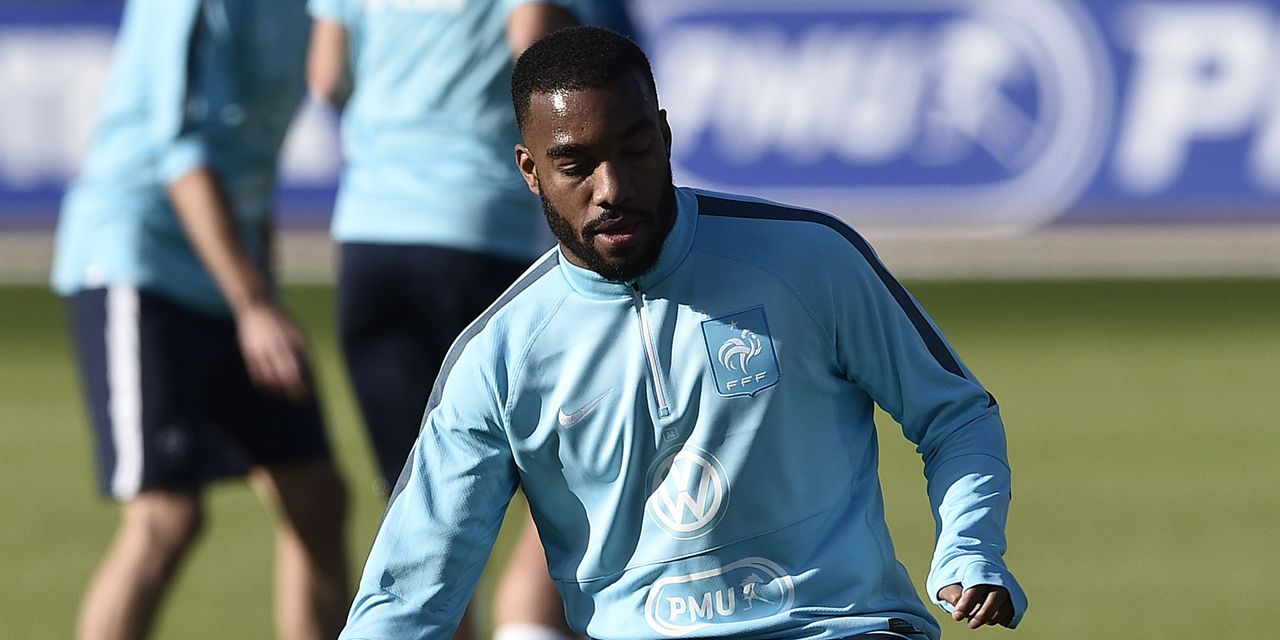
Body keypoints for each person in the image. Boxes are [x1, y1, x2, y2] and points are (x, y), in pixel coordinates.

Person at [339, 25, 1027, 640]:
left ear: (665, 137)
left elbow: (956, 413)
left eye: (635, 150)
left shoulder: (809, 260)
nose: (612, 187)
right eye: (576, 166)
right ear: (530, 170)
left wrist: (968, 548)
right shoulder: (499, 357)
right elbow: (407, 597)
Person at [305, 3, 633, 640]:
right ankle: (529, 623)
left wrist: (402, 112)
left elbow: (325, 78)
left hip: (372, 230)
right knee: (582, 462)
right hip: (478, 224)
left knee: (428, 510)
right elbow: (533, 46)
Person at [51, 1, 349, 638]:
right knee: (166, 516)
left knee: (317, 497)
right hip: (142, 260)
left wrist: (261, 290)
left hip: (230, 270)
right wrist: (254, 304)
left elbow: (252, 164)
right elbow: (181, 155)